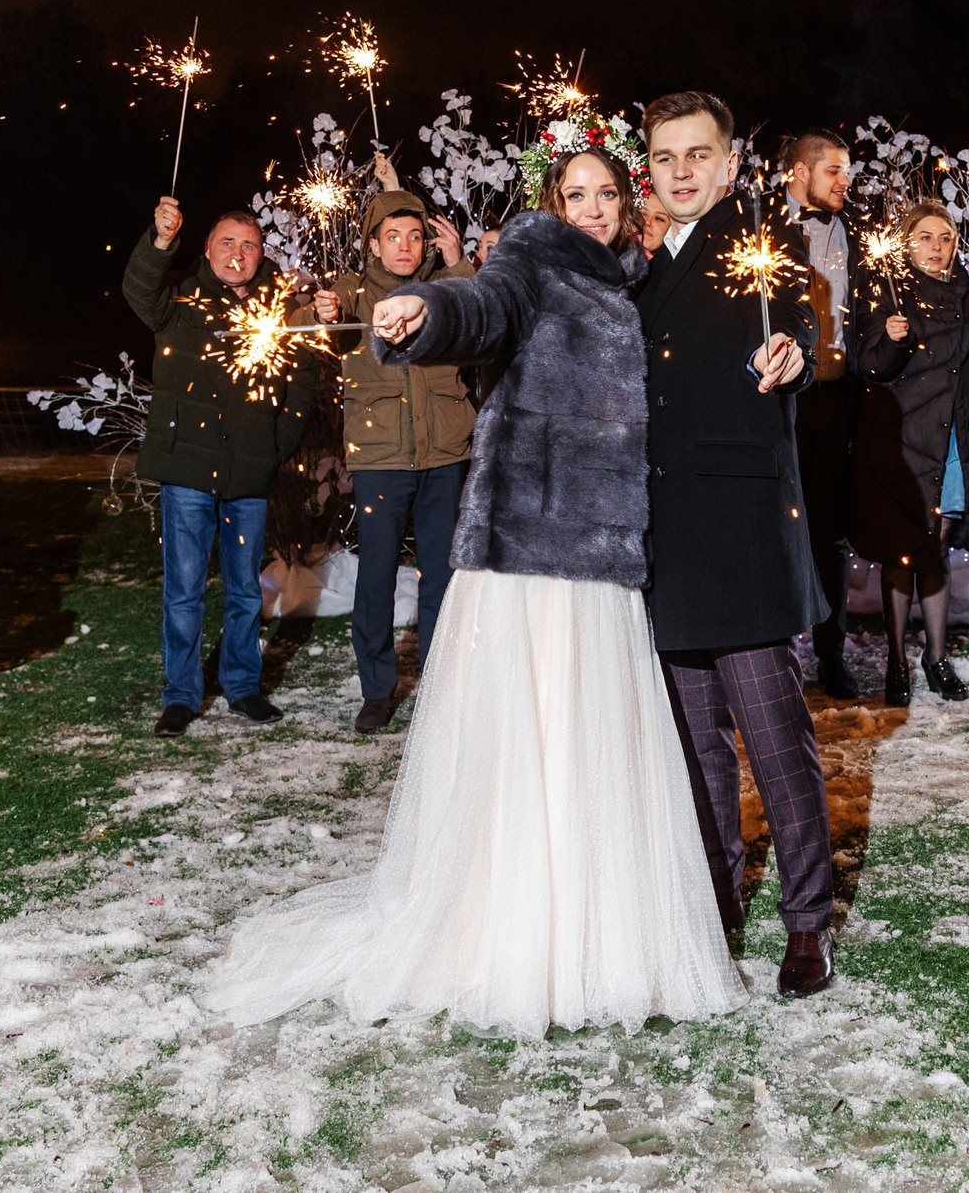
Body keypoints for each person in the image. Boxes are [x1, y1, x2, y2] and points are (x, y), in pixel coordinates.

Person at [203, 147, 745, 1036]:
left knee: (593, 742)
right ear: (551, 204)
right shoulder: (530, 259)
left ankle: (601, 937)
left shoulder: (643, 280)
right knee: (525, 739)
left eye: (609, 192)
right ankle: (515, 933)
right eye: (577, 194)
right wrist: (427, 308)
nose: (595, 207)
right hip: (530, 547)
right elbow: (482, 306)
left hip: (607, 555)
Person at [639, 91, 837, 995]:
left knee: (776, 745)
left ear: (727, 164)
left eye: (698, 154)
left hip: (747, 538)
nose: (683, 170)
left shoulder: (766, 251)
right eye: (667, 155)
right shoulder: (638, 275)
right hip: (667, 545)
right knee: (697, 753)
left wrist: (792, 349)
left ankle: (807, 925)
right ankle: (715, 904)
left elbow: (795, 314)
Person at [124, 197, 332, 737]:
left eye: (249, 244)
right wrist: (160, 240)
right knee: (184, 588)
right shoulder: (180, 298)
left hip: (249, 473)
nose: (238, 254)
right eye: (227, 243)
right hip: (187, 470)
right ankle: (181, 695)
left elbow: (303, 375)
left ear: (262, 253)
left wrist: (275, 442)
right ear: (208, 250)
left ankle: (242, 686)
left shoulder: (280, 310)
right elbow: (138, 289)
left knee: (244, 589)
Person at [326, 188, 475, 734]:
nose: (406, 247)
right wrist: (323, 311)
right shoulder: (353, 291)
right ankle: (377, 691)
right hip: (381, 458)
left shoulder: (446, 288)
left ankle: (438, 686)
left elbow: (484, 308)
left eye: (415, 236)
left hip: (445, 456)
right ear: (374, 244)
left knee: (442, 577)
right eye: (393, 237)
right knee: (376, 577)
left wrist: (459, 261)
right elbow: (315, 318)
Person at [849, 200, 969, 705]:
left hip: (950, 441)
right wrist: (892, 341)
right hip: (899, 442)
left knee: (934, 546)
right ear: (907, 242)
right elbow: (869, 367)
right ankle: (897, 661)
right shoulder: (888, 292)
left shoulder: (968, 295)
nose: (937, 249)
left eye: (946, 239)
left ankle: (935, 658)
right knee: (901, 551)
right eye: (926, 238)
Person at [782, 130, 861, 698]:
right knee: (777, 529)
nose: (844, 181)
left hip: (833, 398)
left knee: (831, 533)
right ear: (800, 171)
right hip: (777, 399)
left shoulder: (854, 234)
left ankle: (830, 654)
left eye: (847, 171)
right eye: (833, 170)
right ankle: (776, 655)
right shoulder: (761, 231)